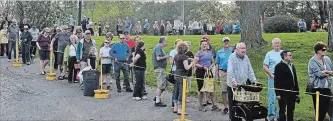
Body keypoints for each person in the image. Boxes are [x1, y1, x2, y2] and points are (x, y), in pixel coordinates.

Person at [227, 42, 258, 121]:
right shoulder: (232, 57)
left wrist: (254, 80)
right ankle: (232, 118)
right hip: (233, 85)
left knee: (242, 103)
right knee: (233, 105)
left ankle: (242, 117)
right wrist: (234, 81)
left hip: (243, 85)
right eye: (241, 48)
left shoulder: (246, 57)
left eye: (244, 48)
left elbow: (250, 70)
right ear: (237, 49)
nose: (243, 50)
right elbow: (230, 71)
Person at [308, 42, 333, 121]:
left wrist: (326, 72)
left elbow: (331, 70)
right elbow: (319, 74)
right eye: (323, 49)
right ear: (318, 51)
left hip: (328, 87)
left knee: (331, 107)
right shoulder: (312, 61)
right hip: (317, 88)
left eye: (325, 49)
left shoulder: (327, 59)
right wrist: (327, 72)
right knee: (320, 110)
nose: (325, 51)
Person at [194, 39, 220, 112]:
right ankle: (200, 106)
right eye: (203, 44)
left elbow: (213, 62)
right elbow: (194, 63)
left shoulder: (210, 52)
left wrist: (211, 66)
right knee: (201, 89)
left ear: (207, 45)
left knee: (212, 89)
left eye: (206, 44)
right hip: (200, 72)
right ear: (200, 45)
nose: (204, 45)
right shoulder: (198, 53)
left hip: (208, 72)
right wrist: (202, 67)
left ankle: (214, 105)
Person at [274, 50, 300, 121]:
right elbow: (276, 81)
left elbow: (295, 79)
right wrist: (277, 93)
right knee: (282, 110)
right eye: (290, 55)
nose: (291, 56)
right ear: (285, 57)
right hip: (283, 92)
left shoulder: (292, 66)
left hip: (292, 91)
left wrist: (297, 93)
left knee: (291, 109)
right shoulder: (278, 66)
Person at [173, 42, 195, 115]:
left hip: (176, 74)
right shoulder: (184, 57)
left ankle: (175, 107)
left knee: (176, 90)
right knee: (181, 91)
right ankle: (180, 109)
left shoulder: (176, 56)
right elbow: (187, 67)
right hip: (182, 75)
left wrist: (188, 59)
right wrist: (192, 63)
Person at [263, 38, 282, 120]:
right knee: (272, 97)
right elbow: (265, 66)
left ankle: (279, 115)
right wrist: (270, 74)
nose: (277, 45)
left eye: (278, 43)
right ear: (272, 45)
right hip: (272, 77)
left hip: (282, 78)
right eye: (275, 43)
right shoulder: (269, 54)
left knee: (281, 97)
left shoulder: (283, 53)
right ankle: (270, 115)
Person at [215, 37, 233, 114]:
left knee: (232, 90)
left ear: (229, 42)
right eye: (225, 41)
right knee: (224, 90)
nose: (226, 43)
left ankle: (232, 106)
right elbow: (217, 64)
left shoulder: (233, 51)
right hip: (222, 72)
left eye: (227, 41)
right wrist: (216, 74)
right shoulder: (219, 52)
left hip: (231, 72)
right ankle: (226, 106)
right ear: (222, 43)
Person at [152, 36, 169, 107]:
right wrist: (166, 56)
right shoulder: (158, 47)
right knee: (161, 85)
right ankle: (157, 101)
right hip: (159, 69)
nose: (167, 43)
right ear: (162, 41)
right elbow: (158, 58)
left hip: (161, 69)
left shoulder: (160, 48)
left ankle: (156, 97)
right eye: (166, 41)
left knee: (164, 84)